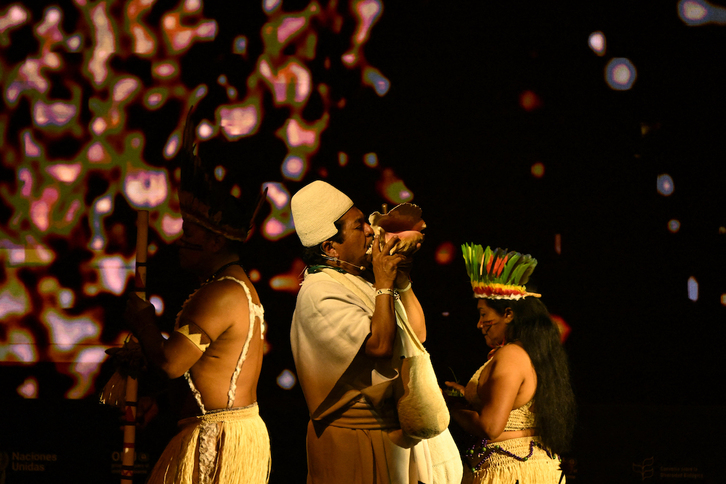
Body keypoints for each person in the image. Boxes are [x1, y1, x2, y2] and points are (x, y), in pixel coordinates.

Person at [123, 109, 270, 484]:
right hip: (228, 432)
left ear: (216, 240)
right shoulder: (232, 286)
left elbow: (171, 363)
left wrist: (143, 323)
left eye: (190, 231)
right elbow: (198, 367)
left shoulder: (221, 293)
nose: (180, 240)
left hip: (217, 438)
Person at [290, 180, 440, 483]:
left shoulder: (361, 280)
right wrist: (384, 284)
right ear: (330, 246)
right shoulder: (318, 292)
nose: (371, 231)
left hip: (388, 435)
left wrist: (401, 282)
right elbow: (380, 346)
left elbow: (418, 334)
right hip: (351, 440)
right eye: (359, 226)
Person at [444, 244, 575, 483]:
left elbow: (491, 427)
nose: (479, 324)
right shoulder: (531, 352)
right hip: (525, 467)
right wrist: (467, 397)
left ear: (508, 313)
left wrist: (450, 406)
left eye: (484, 315)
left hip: (511, 471)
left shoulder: (511, 355)